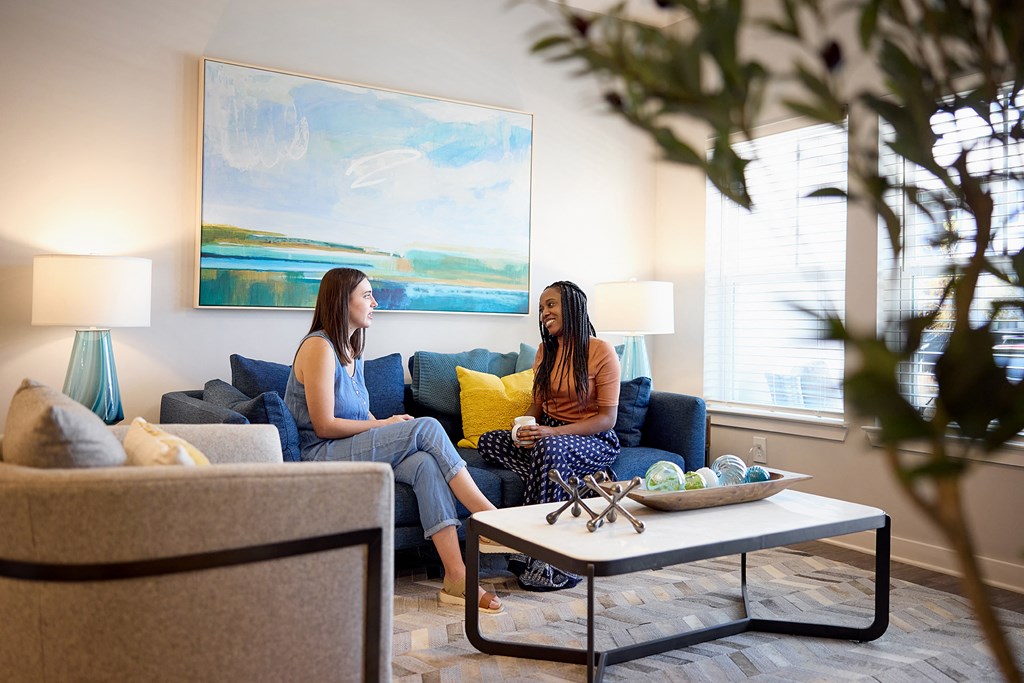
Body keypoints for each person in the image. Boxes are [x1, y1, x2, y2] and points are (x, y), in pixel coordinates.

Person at [283, 267, 503, 613]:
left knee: (425, 464)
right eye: (367, 295)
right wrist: (385, 425)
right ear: (343, 301)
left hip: (346, 448)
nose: (375, 303)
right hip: (320, 454)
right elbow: (324, 425)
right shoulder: (318, 348)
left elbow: (360, 415)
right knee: (428, 427)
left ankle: (457, 577)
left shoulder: (352, 350)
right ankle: (491, 519)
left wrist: (384, 426)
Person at [477, 280, 621, 591]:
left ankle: (551, 560)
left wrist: (550, 434)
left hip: (593, 439)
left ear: (572, 307)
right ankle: (578, 483)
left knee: (550, 448)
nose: (544, 313)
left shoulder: (600, 351)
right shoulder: (545, 351)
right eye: (542, 308)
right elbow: (538, 406)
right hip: (549, 440)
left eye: (551, 305)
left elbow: (607, 419)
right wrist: (524, 430)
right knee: (489, 441)